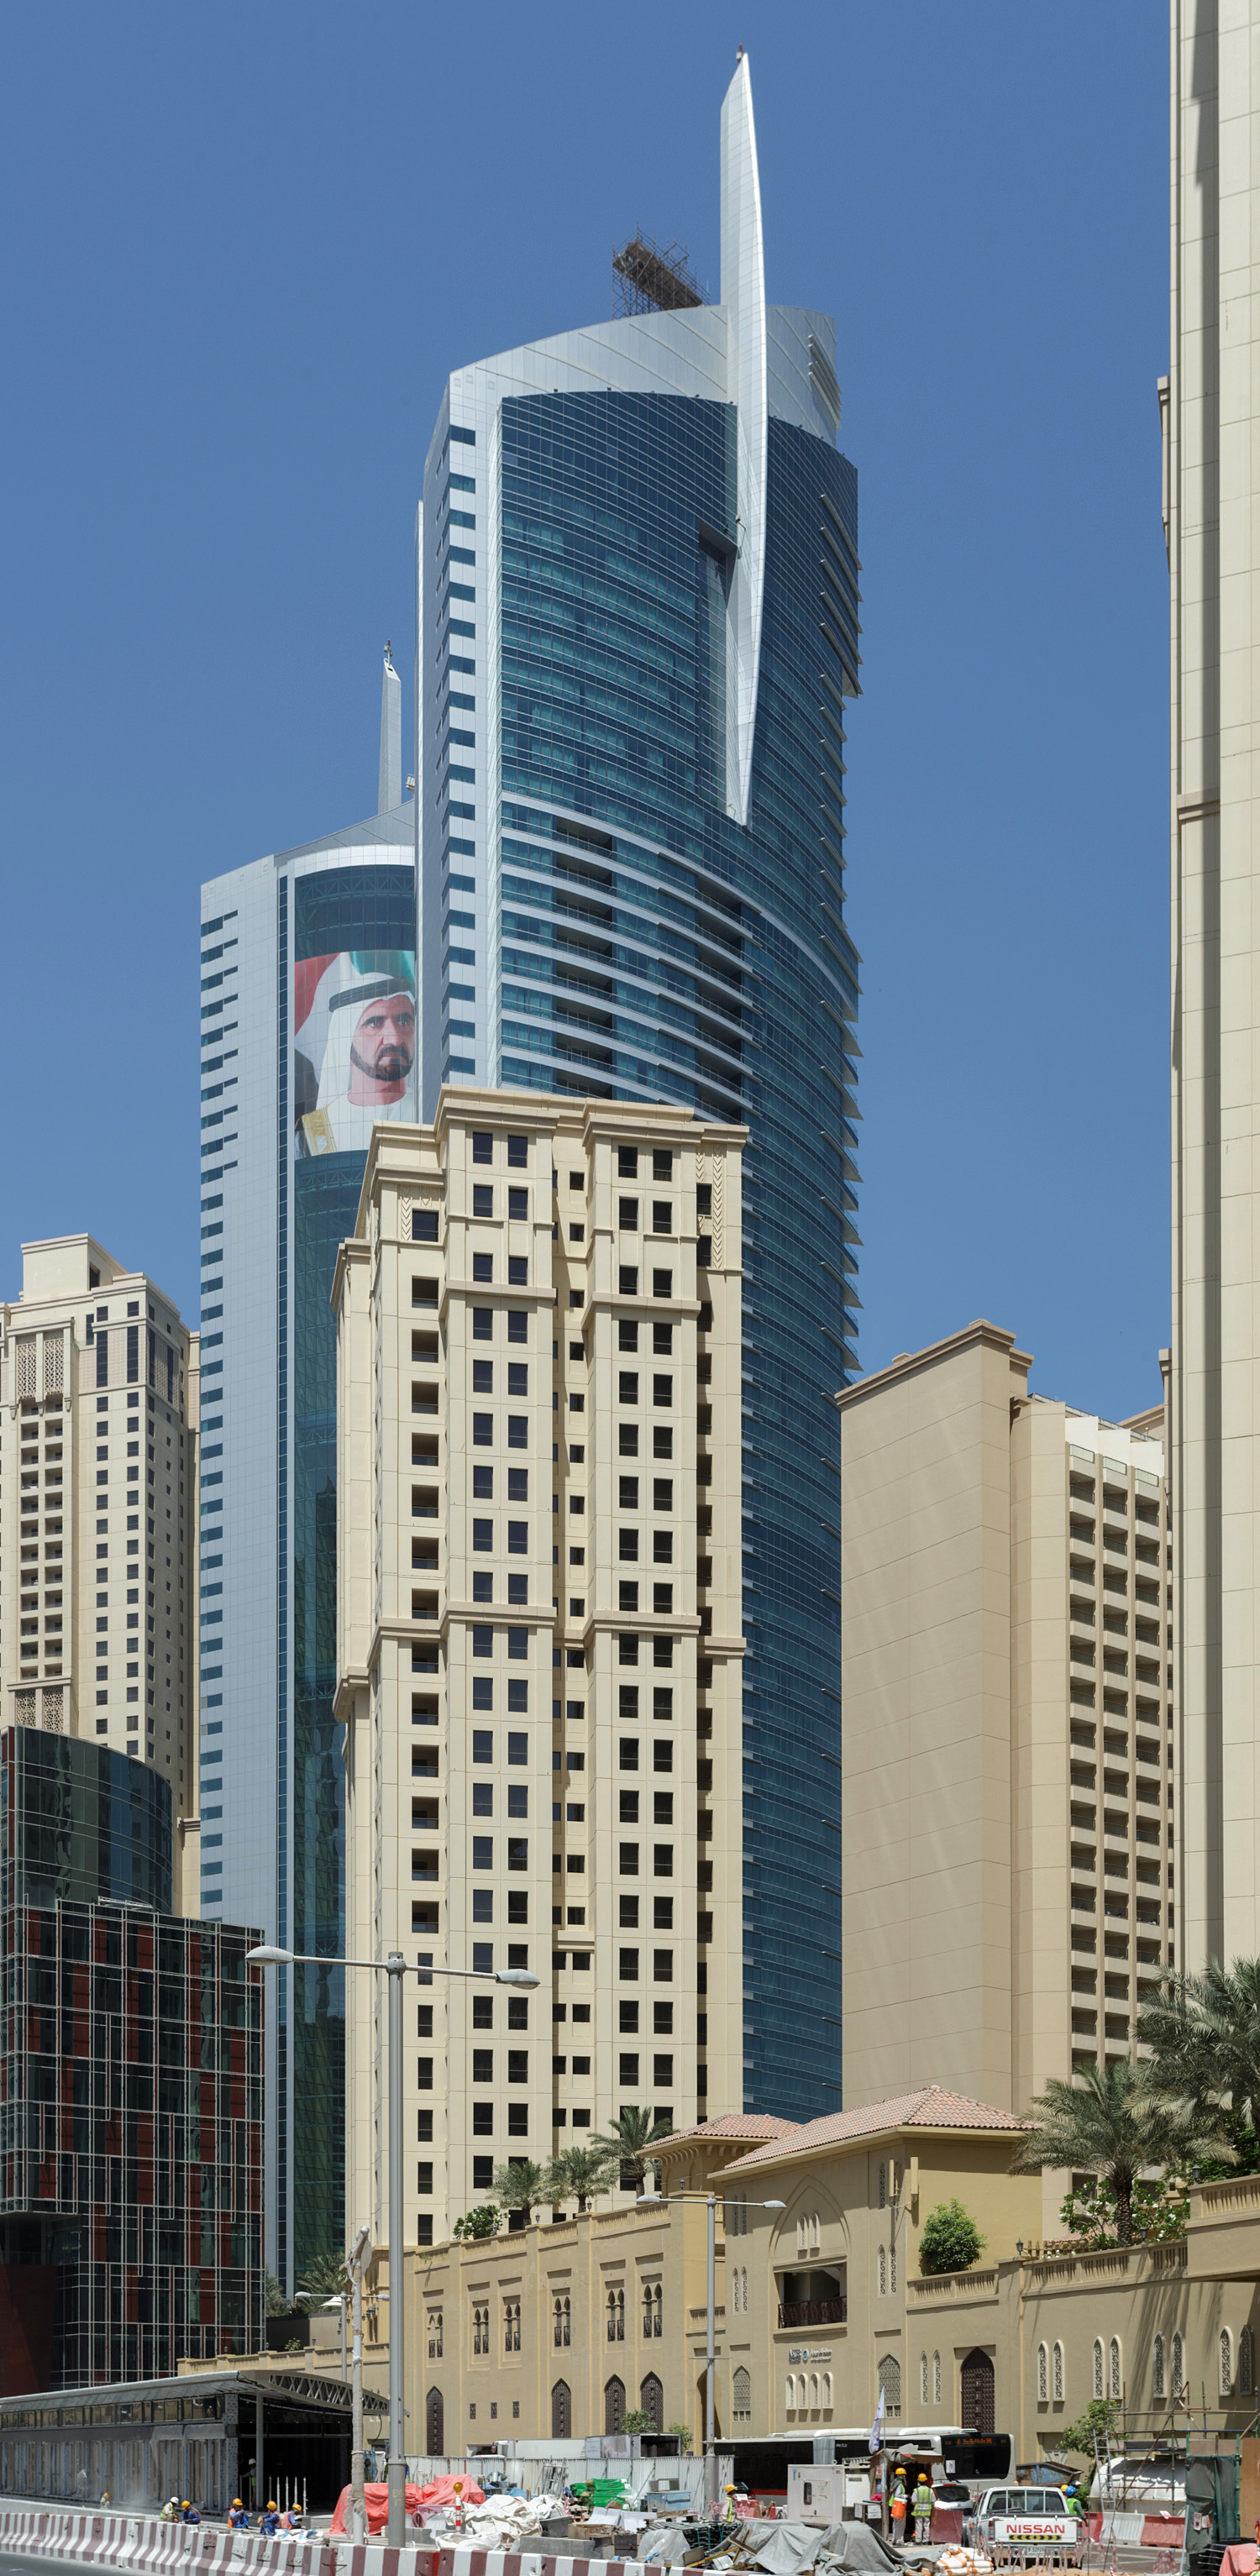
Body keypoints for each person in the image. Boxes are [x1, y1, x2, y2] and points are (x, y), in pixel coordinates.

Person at [913, 2474, 934, 2542]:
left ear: (919, 2481)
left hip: (918, 2511)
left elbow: (913, 2501)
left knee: (919, 2526)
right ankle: (926, 2540)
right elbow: (933, 2501)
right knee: (926, 2525)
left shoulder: (916, 2490)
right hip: (927, 2511)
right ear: (926, 2481)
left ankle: (918, 2540)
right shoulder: (930, 2491)